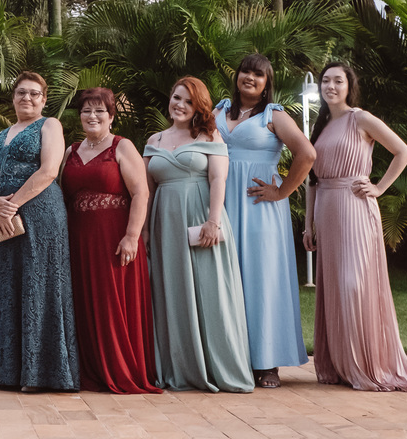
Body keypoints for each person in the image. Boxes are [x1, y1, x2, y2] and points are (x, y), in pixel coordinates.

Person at [304, 62, 407, 392]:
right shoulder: (321, 125)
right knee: (335, 289)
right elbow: (312, 181)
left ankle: (365, 364)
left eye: (337, 80)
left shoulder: (360, 118)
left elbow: (403, 151)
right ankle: (341, 365)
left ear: (348, 85)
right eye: (325, 81)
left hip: (355, 208)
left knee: (354, 284)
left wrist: (380, 188)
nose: (330, 86)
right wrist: (308, 225)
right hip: (326, 209)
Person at [144, 76, 253, 393]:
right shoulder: (155, 139)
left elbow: (219, 180)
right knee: (172, 292)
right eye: (177, 97)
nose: (180, 105)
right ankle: (180, 367)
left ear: (199, 107)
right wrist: (146, 232)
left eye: (189, 101)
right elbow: (147, 191)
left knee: (211, 292)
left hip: (202, 221)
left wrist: (213, 221)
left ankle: (219, 367)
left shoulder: (210, 134)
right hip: (164, 224)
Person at [214, 54, 315, 389]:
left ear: (267, 83)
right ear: (237, 74)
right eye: (246, 71)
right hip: (220, 204)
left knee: (261, 280)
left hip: (259, 208)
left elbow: (307, 153)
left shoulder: (274, 115)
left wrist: (282, 190)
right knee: (226, 280)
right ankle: (231, 356)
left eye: (259, 74)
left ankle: (267, 362)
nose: (250, 78)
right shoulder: (219, 111)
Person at [0, 71, 78, 392]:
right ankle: (6, 372)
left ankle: (41, 374)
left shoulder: (50, 125)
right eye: (21, 93)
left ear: (44, 99)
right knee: (4, 285)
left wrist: (13, 203)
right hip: (3, 216)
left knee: (39, 283)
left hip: (39, 212)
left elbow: (49, 170)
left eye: (35, 94)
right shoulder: (1, 134)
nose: (27, 98)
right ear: (13, 97)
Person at [60, 87, 160, 394]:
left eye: (99, 111)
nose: (92, 116)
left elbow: (141, 192)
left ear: (111, 116)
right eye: (86, 111)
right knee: (85, 303)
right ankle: (91, 369)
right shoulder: (70, 151)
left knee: (111, 302)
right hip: (79, 240)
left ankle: (121, 369)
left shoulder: (122, 146)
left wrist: (132, 236)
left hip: (115, 238)